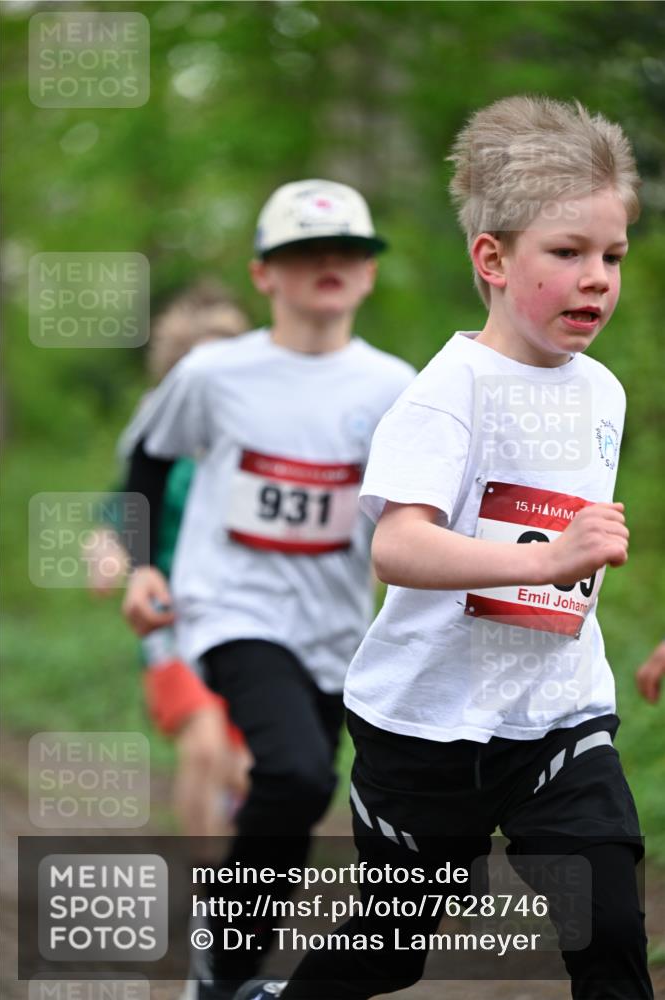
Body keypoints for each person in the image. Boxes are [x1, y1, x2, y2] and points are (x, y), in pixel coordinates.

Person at [240, 98, 654, 1000]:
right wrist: (543, 561)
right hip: (426, 724)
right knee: (387, 951)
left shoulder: (603, 392)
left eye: (612, 256)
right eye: (568, 253)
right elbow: (400, 547)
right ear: (493, 259)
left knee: (611, 926)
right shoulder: (445, 394)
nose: (596, 279)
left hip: (557, 713)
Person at [120, 179, 416, 1000]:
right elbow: (143, 461)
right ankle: (225, 955)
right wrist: (141, 561)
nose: (328, 264)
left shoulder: (397, 387)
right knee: (292, 776)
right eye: (303, 251)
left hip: (333, 630)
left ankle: (224, 972)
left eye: (347, 251)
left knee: (295, 792)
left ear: (367, 273)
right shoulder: (215, 374)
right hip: (230, 610)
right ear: (263, 274)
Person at [87, 281, 253, 839]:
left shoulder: (256, 443)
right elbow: (119, 512)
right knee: (204, 745)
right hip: (171, 620)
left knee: (248, 769)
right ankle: (209, 890)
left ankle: (237, 877)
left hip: (250, 618)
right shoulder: (159, 446)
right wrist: (108, 554)